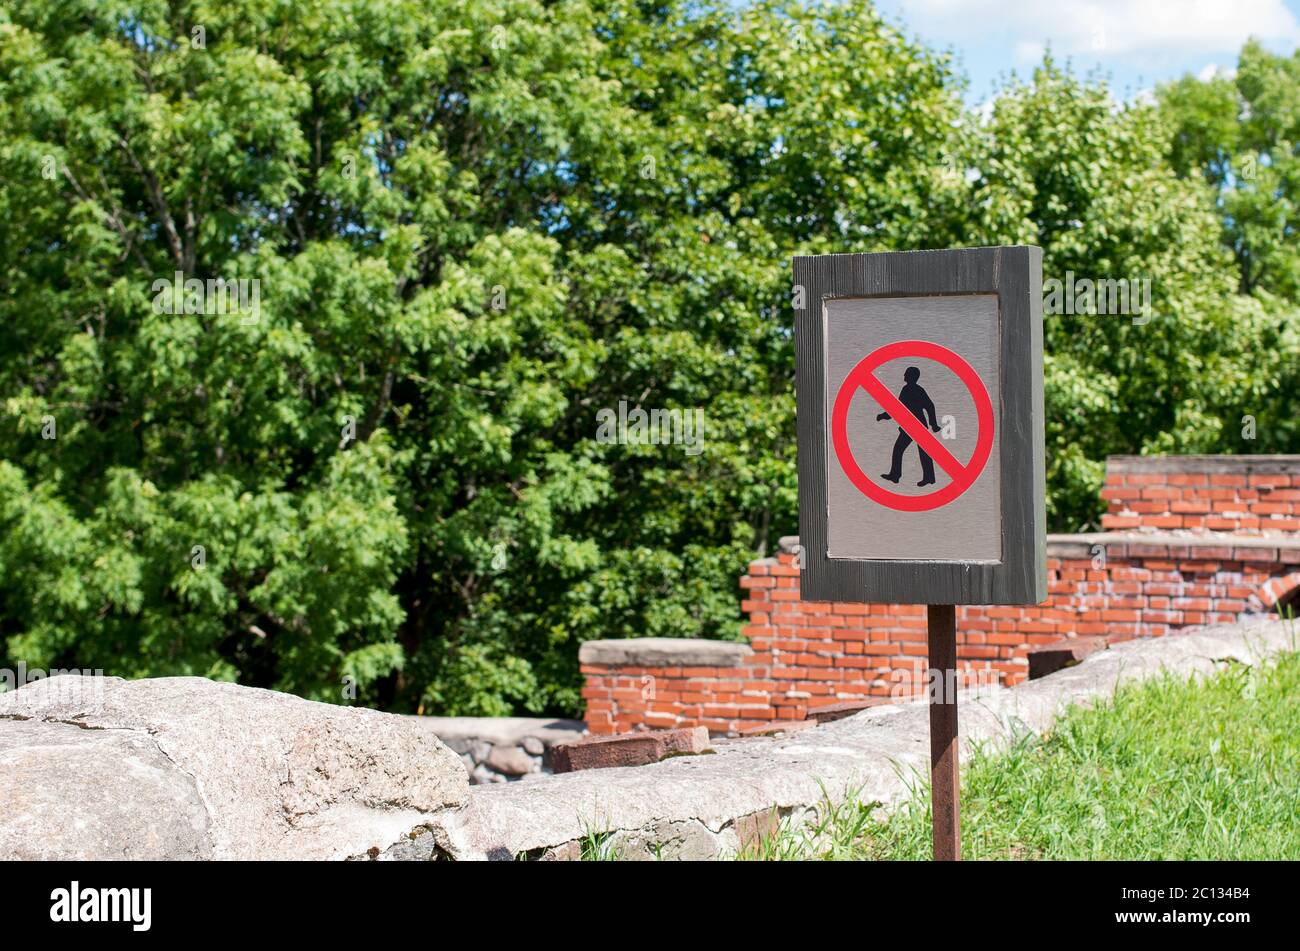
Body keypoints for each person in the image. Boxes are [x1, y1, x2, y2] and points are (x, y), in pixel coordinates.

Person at [876, 366, 941, 487]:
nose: (904, 376)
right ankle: (927, 478)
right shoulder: (918, 389)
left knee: (901, 450)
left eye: (906, 374)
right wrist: (934, 424)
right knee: (920, 452)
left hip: (913, 426)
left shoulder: (907, 389)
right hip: (915, 426)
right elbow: (929, 406)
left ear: (910, 376)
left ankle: (897, 475)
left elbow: (897, 408)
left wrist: (883, 416)